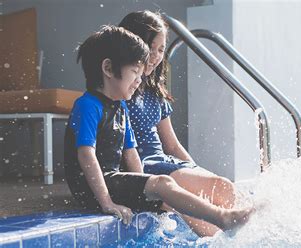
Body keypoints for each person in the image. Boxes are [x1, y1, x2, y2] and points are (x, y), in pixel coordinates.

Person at [64, 25, 253, 231]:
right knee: (163, 184)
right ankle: (223, 218)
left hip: (112, 181)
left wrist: (144, 185)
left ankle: (217, 238)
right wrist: (107, 202)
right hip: (91, 188)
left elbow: (131, 153)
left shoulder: (120, 106)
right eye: (135, 72)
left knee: (169, 196)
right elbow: (86, 156)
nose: (139, 80)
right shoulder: (88, 105)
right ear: (108, 68)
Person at [119, 10, 239, 237]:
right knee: (223, 188)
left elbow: (172, 145)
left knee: (219, 190)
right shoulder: (121, 89)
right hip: (147, 169)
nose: (155, 56)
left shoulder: (156, 93)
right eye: (149, 47)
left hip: (165, 162)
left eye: (161, 49)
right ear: (132, 43)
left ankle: (221, 241)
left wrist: (195, 171)